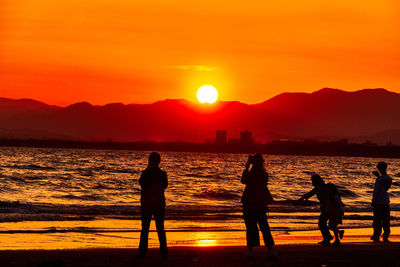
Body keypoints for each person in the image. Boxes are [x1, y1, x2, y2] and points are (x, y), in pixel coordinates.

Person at [241, 154, 276, 257]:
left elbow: (243, 180)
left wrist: (247, 167)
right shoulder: (264, 174)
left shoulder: (253, 174)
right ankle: (270, 249)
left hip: (249, 202)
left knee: (251, 227)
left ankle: (251, 250)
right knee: (264, 226)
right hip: (259, 203)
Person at [298, 174, 344, 246]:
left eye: (312, 181)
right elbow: (308, 194)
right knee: (329, 224)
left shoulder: (320, 188)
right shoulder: (320, 187)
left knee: (322, 223)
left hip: (329, 208)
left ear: (315, 181)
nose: (311, 182)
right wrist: (300, 199)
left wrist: (300, 200)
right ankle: (335, 239)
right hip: (330, 207)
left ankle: (327, 238)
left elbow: (328, 198)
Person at [137, 152, 168, 257]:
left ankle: (142, 252)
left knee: (145, 229)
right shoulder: (162, 174)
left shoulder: (145, 173)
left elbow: (142, 184)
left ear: (149, 161)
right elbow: (165, 185)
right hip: (159, 203)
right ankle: (163, 251)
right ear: (159, 162)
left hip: (147, 204)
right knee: (160, 228)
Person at [371, 161, 392, 242]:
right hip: (385, 202)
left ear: (380, 168)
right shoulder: (388, 179)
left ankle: (376, 235)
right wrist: (378, 176)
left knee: (377, 220)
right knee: (386, 220)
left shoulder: (380, 179)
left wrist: (373, 201)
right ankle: (385, 235)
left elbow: (377, 191)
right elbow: (385, 188)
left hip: (378, 202)